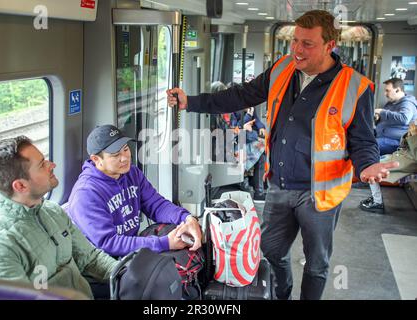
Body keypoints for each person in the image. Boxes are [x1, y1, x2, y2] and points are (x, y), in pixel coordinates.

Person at [167, 10, 399, 300]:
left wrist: (367, 166)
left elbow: (363, 140)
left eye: (307, 44)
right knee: (272, 253)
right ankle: (282, 296)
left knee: (317, 264)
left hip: (320, 196)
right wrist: (192, 102)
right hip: (279, 185)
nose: (297, 50)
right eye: (295, 41)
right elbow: (240, 95)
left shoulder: (355, 87)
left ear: (330, 46)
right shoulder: (282, 69)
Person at [0, 136, 118, 300]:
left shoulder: (52, 211)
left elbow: (91, 259)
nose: (52, 165)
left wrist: (126, 275)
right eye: (42, 165)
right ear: (21, 186)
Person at [66, 125, 202, 258]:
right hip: (105, 264)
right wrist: (164, 243)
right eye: (115, 155)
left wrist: (187, 218)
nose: (124, 158)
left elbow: (156, 205)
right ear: (96, 159)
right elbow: (108, 243)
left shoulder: (131, 173)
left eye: (125, 149)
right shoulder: (86, 193)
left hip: (130, 251)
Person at [360, 122, 417, 213]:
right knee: (373, 163)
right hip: (400, 156)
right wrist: (409, 134)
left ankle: (377, 202)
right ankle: (375, 196)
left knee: (373, 168)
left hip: (407, 162)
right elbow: (402, 145)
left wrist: (414, 137)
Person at [374, 78, 417, 155]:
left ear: (397, 90)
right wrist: (379, 116)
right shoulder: (391, 102)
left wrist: (381, 112)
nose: (385, 94)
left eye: (388, 91)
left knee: (368, 147)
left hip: (396, 142)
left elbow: (404, 118)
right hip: (381, 136)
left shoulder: (407, 103)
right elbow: (388, 116)